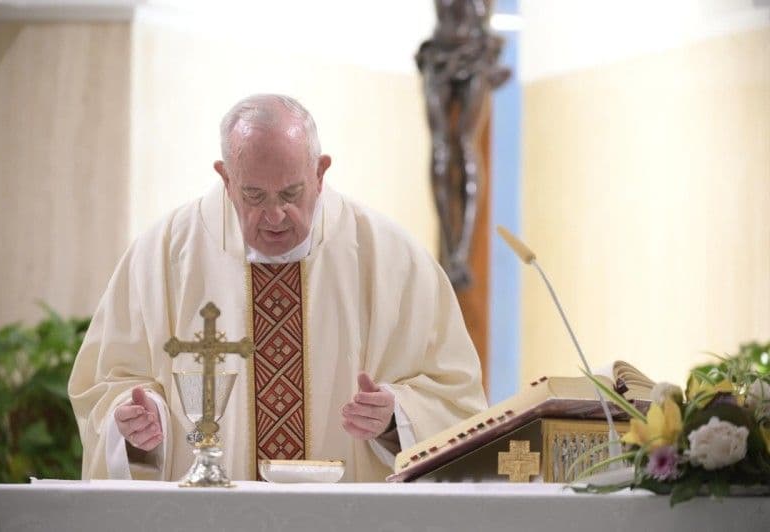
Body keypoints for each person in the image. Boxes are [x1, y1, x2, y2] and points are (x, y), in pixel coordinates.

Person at [68, 94, 487, 482]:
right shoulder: (161, 255)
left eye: (291, 193)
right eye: (253, 195)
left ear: (320, 172)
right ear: (225, 178)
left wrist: (397, 418)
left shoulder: (392, 258)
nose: (274, 216)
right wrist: (141, 422)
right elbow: (107, 385)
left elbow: (456, 399)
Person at [416, 0, 510, 289]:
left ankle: (461, 252)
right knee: (441, 147)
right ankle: (450, 246)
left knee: (465, 143)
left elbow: (482, 16)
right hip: (441, 56)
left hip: (474, 55)